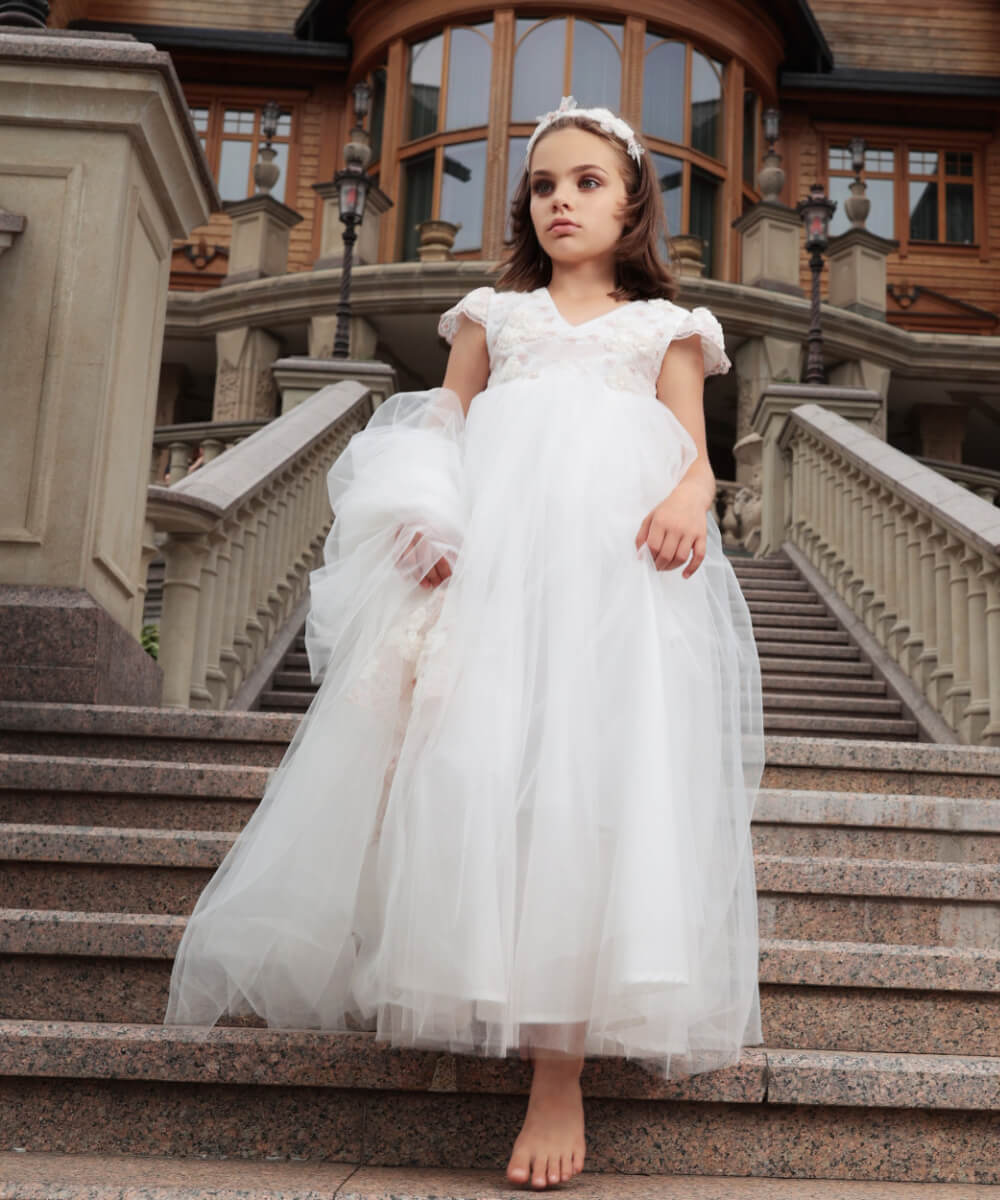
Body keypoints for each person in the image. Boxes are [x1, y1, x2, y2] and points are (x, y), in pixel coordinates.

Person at [163, 95, 765, 1192]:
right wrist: (425, 525)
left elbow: (696, 456)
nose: (562, 201)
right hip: (493, 584)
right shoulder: (495, 313)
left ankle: (557, 1075)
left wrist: (692, 496)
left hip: (615, 590)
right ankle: (479, 971)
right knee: (481, 777)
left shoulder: (664, 330)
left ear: (632, 201)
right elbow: (437, 430)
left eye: (587, 182)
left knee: (587, 796)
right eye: (543, 185)